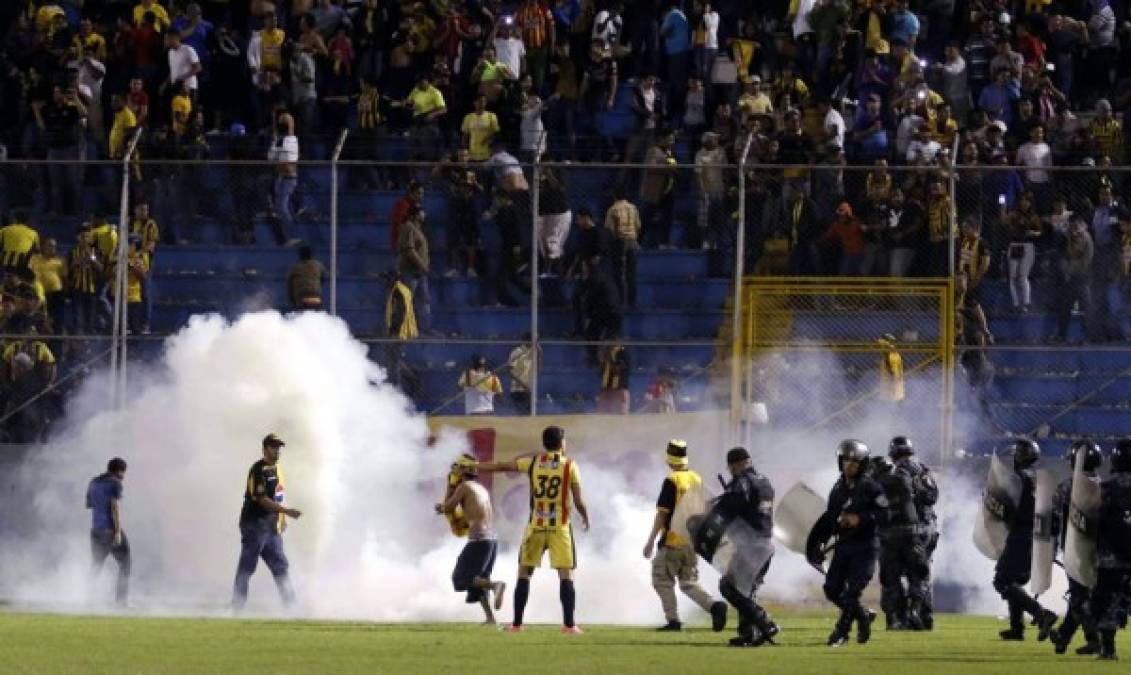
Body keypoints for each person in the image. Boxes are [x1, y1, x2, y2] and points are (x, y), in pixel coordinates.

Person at [478, 425, 591, 633]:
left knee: (524, 574)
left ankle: (516, 624)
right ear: (561, 443)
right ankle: (569, 625)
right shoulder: (570, 466)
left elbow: (503, 466)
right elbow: (578, 500)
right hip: (560, 528)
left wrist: (475, 466)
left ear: (545, 443)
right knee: (566, 575)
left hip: (535, 526)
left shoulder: (533, 462)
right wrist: (586, 517)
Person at [642, 440, 728, 633]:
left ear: (669, 458)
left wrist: (650, 542)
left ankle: (673, 621)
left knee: (661, 580)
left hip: (673, 541)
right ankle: (714, 606)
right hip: (692, 542)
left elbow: (662, 513)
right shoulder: (696, 478)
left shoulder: (672, 480)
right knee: (689, 582)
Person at [809, 440, 888, 647]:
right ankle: (862, 616)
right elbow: (830, 518)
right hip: (843, 545)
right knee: (832, 589)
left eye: (854, 461)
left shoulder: (872, 487)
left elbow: (885, 514)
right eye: (846, 460)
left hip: (866, 546)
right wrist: (818, 543)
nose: (849, 464)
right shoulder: (837, 489)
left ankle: (841, 632)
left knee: (853, 591)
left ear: (862, 464)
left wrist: (860, 519)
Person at [714, 447, 780, 647]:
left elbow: (727, 509)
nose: (731, 471)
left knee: (728, 586)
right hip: (766, 542)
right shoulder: (765, 481)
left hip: (748, 544)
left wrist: (716, 506)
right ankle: (749, 634)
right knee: (746, 590)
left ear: (736, 464)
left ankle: (765, 622)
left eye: (731, 466)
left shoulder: (741, 482)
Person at [993, 438, 1058, 641]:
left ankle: (1042, 614)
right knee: (1015, 580)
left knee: (1002, 581)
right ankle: (1017, 628)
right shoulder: (1041, 478)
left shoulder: (1018, 478)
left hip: (1021, 534)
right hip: (1039, 536)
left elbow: (1008, 508)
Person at [232, 433, 303, 611]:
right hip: (254, 525)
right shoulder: (258, 470)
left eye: (279, 447)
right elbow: (261, 499)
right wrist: (287, 511)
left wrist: (282, 518)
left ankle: (292, 609)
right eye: (273, 447)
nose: (277, 450)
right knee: (247, 568)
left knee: (281, 567)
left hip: (271, 528)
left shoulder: (278, 469)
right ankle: (236, 608)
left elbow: (278, 496)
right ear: (264, 449)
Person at [436, 454, 506, 623]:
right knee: (478, 581)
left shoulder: (464, 487)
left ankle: (496, 586)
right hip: (491, 540)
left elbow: (448, 507)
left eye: (457, 469)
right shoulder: (480, 488)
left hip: (479, 539)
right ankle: (490, 618)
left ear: (463, 470)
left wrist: (449, 486)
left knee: (460, 579)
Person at [1050, 440, 1103, 655]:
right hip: (1100, 550)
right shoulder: (1102, 486)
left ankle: (1093, 639)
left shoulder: (1068, 486)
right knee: (1080, 595)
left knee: (1079, 595)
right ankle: (1064, 637)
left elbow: (1052, 517)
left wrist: (1050, 546)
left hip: (1074, 547)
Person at [873, 439, 930, 631]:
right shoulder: (919, 471)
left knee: (892, 579)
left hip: (892, 536)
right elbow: (931, 497)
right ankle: (919, 615)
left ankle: (896, 619)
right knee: (919, 576)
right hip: (917, 531)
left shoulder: (876, 481)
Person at [890, 436, 939, 630]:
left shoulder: (899, 473)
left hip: (912, 530)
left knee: (911, 574)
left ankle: (912, 615)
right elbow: (933, 497)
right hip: (930, 527)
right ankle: (926, 617)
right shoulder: (923, 470)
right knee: (924, 572)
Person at [1090, 437, 1131, 660]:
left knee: (1105, 601)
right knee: (1118, 601)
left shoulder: (1104, 489)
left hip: (1111, 558)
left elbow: (1092, 524)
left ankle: (1108, 649)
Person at [86, 457, 131, 606]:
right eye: (123, 473)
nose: (124, 477)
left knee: (96, 565)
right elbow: (114, 507)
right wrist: (117, 531)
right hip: (110, 530)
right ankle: (121, 602)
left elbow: (89, 504)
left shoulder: (93, 482)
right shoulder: (115, 483)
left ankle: (88, 598)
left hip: (95, 530)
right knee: (125, 563)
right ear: (119, 471)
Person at [286, 245, 327, 311]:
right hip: (316, 298)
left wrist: (293, 303)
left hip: (301, 300)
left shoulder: (295, 268)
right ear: (312, 255)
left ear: (300, 255)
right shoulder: (319, 265)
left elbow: (289, 288)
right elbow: (322, 281)